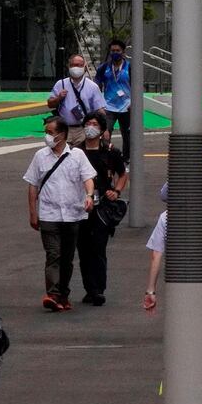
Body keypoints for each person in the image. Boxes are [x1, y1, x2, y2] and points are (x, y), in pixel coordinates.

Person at [22, 116, 95, 311]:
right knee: (53, 254)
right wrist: (32, 212)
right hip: (49, 214)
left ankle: (63, 294)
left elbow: (88, 178)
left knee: (67, 257)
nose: (47, 136)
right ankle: (53, 294)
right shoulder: (40, 156)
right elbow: (32, 185)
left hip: (72, 214)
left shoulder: (78, 155)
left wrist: (89, 195)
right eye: (46, 132)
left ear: (62, 135)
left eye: (50, 133)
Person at [142, 198, 202, 313]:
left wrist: (150, 291)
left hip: (175, 280)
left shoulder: (165, 218)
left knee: (177, 322)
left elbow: (156, 255)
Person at [75, 117, 126, 306]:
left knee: (98, 248)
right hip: (80, 206)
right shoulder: (76, 152)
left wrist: (117, 191)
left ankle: (98, 289)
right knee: (83, 249)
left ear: (103, 129)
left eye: (95, 124)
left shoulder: (111, 152)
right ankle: (89, 288)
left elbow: (123, 174)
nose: (90, 128)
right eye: (88, 124)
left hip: (102, 207)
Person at [46, 53, 106, 133]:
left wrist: (104, 129)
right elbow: (50, 104)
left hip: (84, 128)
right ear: (69, 67)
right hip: (64, 129)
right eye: (72, 65)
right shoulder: (61, 84)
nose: (75, 68)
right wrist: (59, 98)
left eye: (78, 65)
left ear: (84, 67)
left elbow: (99, 109)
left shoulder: (92, 86)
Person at [95, 42, 132, 157]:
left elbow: (138, 86)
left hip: (127, 107)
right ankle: (107, 159)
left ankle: (126, 159)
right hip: (108, 107)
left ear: (123, 52)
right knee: (105, 133)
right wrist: (99, 104)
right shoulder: (104, 68)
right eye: (113, 51)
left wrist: (134, 103)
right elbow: (96, 86)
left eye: (118, 51)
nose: (115, 53)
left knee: (128, 135)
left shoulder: (130, 67)